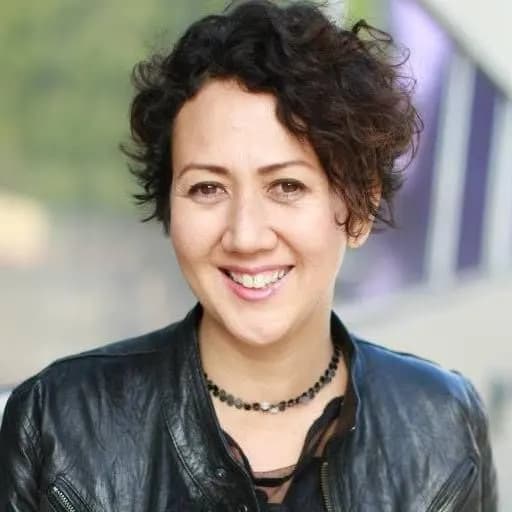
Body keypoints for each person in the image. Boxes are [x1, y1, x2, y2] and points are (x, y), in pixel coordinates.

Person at [0, 1, 497, 511]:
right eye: (207, 188)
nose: (245, 235)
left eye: (286, 186)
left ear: (358, 207)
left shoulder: (442, 425)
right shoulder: (58, 423)